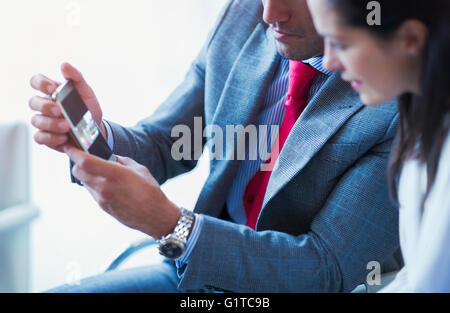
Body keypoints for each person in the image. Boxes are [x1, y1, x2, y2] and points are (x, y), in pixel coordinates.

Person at [29, 0, 402, 293]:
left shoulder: (395, 97)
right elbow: (166, 143)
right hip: (195, 274)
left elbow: (325, 270)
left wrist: (172, 225)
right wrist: (95, 138)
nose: (270, 13)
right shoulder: (245, 15)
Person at [307, 0, 450, 292]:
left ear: (410, 38)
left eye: (340, 44)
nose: (329, 61)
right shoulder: (421, 121)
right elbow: (417, 273)